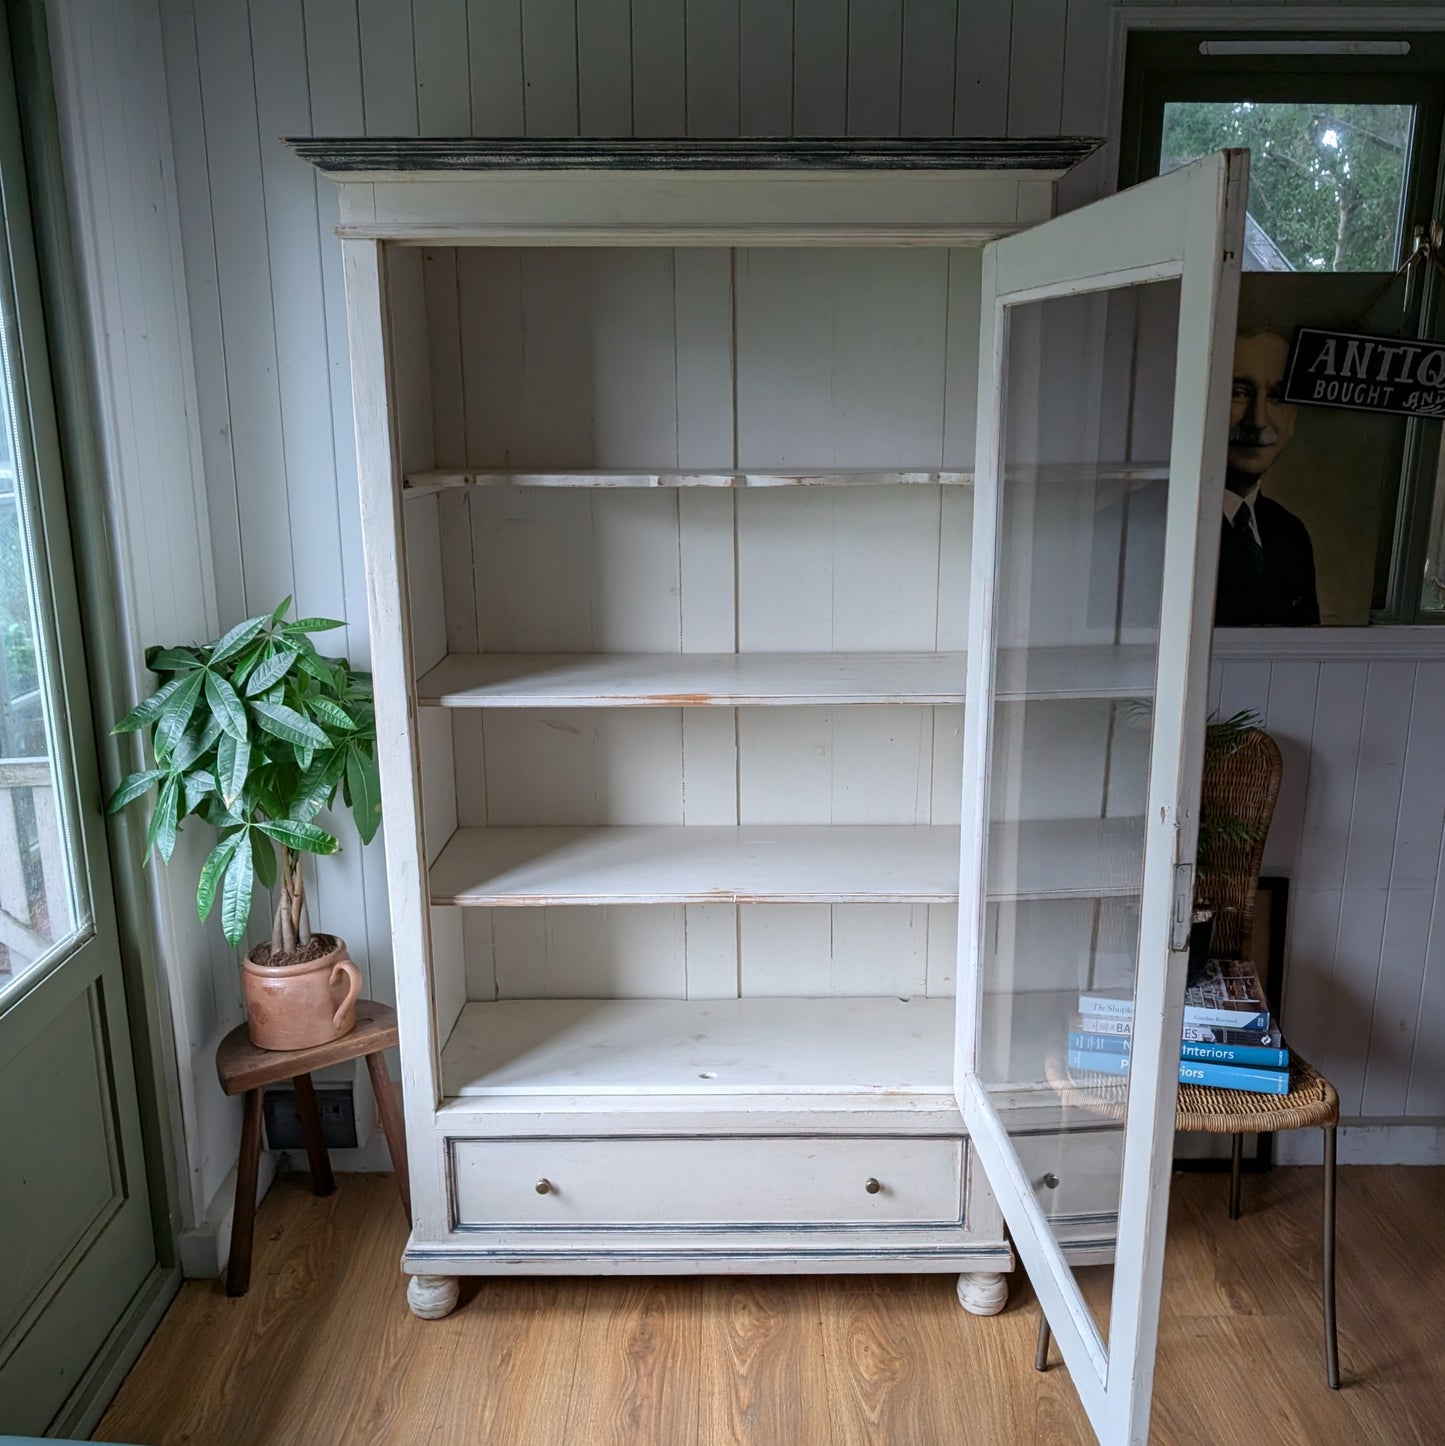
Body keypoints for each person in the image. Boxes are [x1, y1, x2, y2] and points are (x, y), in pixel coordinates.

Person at [1215, 329, 1320, 626]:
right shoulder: (1153, 524)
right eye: (1239, 392)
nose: (1258, 420)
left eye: (1275, 396)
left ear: (1293, 418)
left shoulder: (1290, 534)